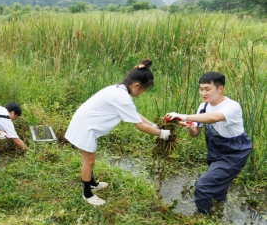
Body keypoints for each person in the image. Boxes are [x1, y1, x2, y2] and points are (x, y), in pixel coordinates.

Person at [65, 59, 170, 206]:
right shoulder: (122, 97)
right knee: (88, 161)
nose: (141, 94)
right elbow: (140, 126)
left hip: (84, 123)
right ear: (136, 85)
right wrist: (160, 133)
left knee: (89, 160)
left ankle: (93, 184)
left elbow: (134, 113)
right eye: (142, 91)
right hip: (85, 127)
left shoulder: (118, 89)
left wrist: (153, 125)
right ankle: (87, 194)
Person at [165, 72, 252, 215]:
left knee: (203, 187)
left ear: (220, 89)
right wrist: (189, 127)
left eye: (207, 89)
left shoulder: (232, 106)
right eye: (201, 89)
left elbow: (215, 117)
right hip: (215, 150)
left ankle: (205, 219)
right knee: (218, 188)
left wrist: (184, 115)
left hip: (235, 152)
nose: (203, 93)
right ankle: (219, 211)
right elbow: (195, 133)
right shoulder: (203, 106)